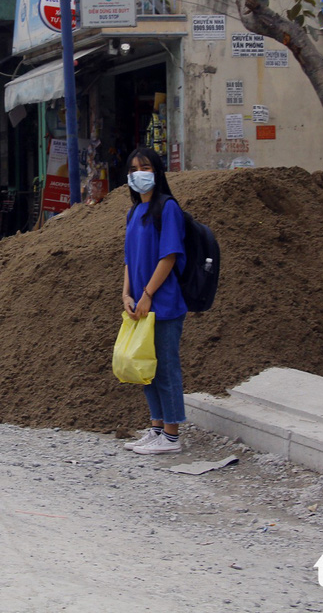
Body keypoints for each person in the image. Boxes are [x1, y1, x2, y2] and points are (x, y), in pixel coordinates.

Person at [121, 146, 188, 456]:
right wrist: (127, 294)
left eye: (145, 168)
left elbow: (169, 256)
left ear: (157, 172)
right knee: (146, 366)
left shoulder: (167, 208)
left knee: (166, 366)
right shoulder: (134, 213)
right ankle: (156, 427)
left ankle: (172, 435)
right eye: (134, 169)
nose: (139, 174)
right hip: (139, 305)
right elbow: (128, 260)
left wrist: (148, 294)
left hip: (164, 304)